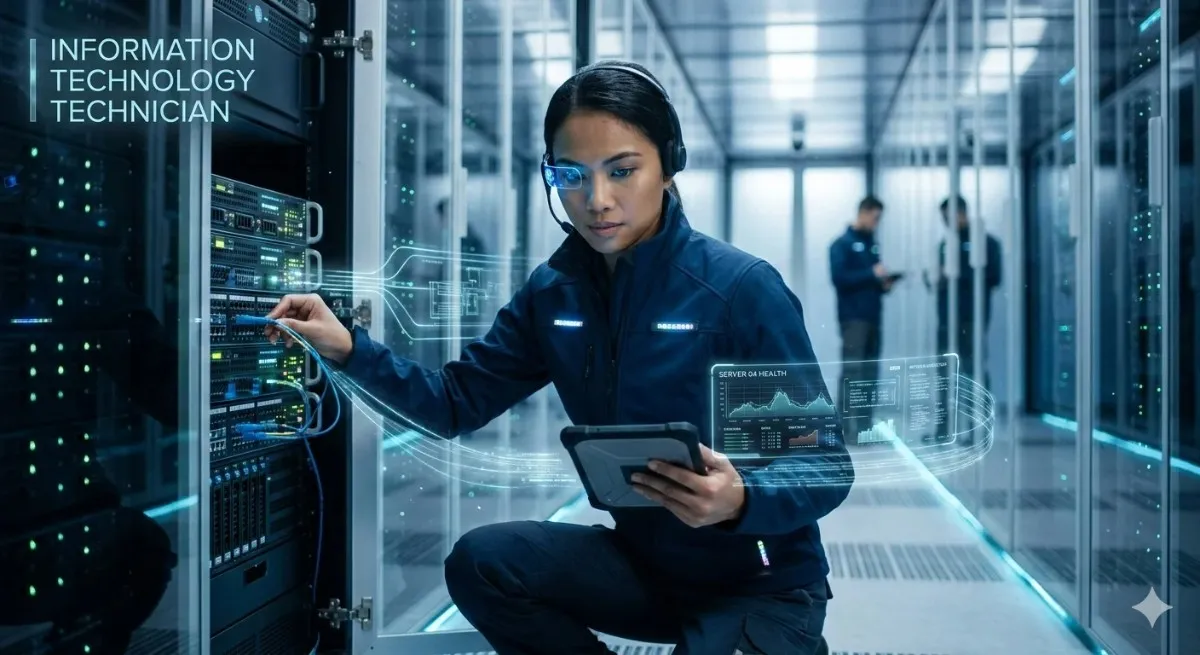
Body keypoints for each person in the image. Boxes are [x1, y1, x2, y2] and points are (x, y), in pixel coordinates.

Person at [265, 60, 851, 655]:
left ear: (670, 164)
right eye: (571, 175)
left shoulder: (738, 290)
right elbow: (453, 403)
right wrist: (348, 348)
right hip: (649, 569)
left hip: (758, 582)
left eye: (622, 171)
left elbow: (825, 467)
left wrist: (740, 499)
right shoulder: (555, 294)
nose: (597, 200)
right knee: (485, 562)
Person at [828, 196, 894, 442]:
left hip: (873, 317)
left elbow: (871, 278)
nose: (876, 223)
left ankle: (865, 428)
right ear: (863, 212)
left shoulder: (871, 244)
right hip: (853, 319)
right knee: (852, 372)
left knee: (869, 373)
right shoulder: (841, 245)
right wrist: (871, 273)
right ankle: (845, 429)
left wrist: (883, 282)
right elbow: (840, 279)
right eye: (875, 218)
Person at [928, 195, 1002, 387]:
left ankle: (977, 406)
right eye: (944, 218)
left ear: (962, 214)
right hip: (946, 317)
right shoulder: (945, 245)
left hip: (971, 316)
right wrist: (934, 276)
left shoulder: (985, 243)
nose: (946, 222)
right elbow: (935, 279)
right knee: (944, 368)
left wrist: (957, 273)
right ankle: (946, 407)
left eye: (949, 217)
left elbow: (994, 277)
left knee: (972, 366)